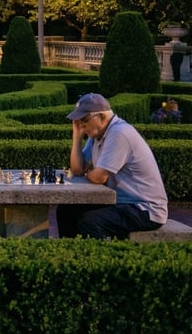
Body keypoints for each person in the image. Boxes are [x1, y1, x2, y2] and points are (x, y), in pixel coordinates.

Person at [55, 93, 168, 239]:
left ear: (101, 117)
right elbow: (77, 169)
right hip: (121, 202)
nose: (81, 124)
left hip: (144, 209)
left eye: (84, 119)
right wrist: (77, 137)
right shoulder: (97, 135)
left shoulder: (119, 133)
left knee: (90, 222)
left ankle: (102, 260)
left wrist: (89, 173)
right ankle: (71, 257)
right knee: (66, 211)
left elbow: (99, 178)